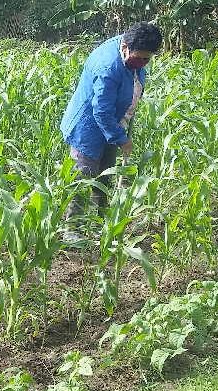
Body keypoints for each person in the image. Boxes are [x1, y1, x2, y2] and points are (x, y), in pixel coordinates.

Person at [60, 21, 163, 243]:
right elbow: (102, 111)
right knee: (83, 175)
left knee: (105, 174)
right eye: (139, 58)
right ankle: (71, 228)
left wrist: (122, 127)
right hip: (88, 127)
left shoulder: (131, 54)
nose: (142, 63)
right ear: (125, 46)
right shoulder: (109, 67)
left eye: (147, 59)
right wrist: (120, 138)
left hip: (113, 124)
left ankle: (101, 223)